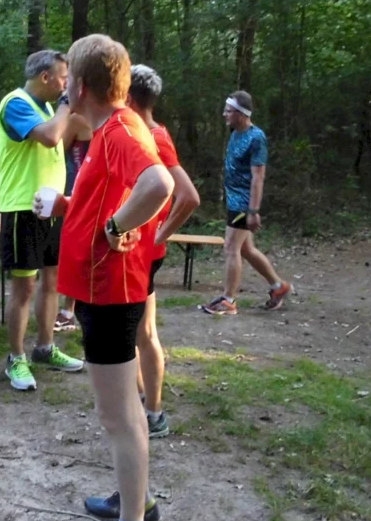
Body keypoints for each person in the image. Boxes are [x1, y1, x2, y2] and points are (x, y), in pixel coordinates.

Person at [42, 34, 173, 521]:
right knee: (121, 415)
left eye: (68, 77)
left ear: (82, 85)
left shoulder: (118, 130)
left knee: (118, 415)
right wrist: (72, 206)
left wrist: (118, 227)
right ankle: (133, 502)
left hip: (110, 291)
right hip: (103, 288)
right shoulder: (107, 131)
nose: (64, 85)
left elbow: (159, 183)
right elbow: (106, 201)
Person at [0, 50, 85, 391]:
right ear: (46, 77)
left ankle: (45, 348)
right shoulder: (15, 103)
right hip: (23, 207)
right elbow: (49, 137)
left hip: (53, 208)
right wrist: (66, 104)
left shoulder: (49, 109)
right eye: (63, 77)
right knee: (25, 287)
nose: (66, 84)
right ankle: (15, 358)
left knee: (53, 281)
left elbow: (74, 133)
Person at [125, 65, 200, 438]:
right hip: (134, 251)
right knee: (137, 332)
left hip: (143, 253)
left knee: (144, 332)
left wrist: (159, 235)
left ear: (128, 96)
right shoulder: (140, 133)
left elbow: (188, 196)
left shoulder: (154, 137)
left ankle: (153, 413)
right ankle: (142, 403)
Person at [202, 91, 292, 315]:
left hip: (243, 203)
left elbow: (258, 177)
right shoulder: (235, 133)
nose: (224, 114)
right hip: (233, 200)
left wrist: (253, 210)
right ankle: (278, 287)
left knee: (231, 247)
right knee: (247, 249)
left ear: (242, 114)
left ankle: (229, 300)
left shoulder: (256, 138)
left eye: (229, 111)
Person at [54, 104, 92, 333]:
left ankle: (70, 311)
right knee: (77, 250)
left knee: (76, 251)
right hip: (78, 188)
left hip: (81, 190)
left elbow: (57, 148)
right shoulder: (83, 118)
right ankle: (71, 310)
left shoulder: (78, 118)